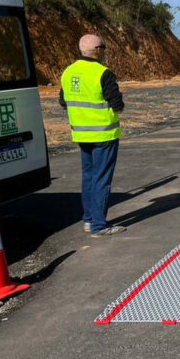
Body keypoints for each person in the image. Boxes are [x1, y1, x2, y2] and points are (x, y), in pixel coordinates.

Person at [60, 34, 126, 236]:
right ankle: (99, 225)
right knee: (102, 179)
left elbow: (63, 102)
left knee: (88, 177)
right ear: (97, 50)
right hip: (104, 135)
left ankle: (89, 219)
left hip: (81, 134)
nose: (104, 51)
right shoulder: (103, 73)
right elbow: (118, 105)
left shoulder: (68, 72)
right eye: (103, 47)